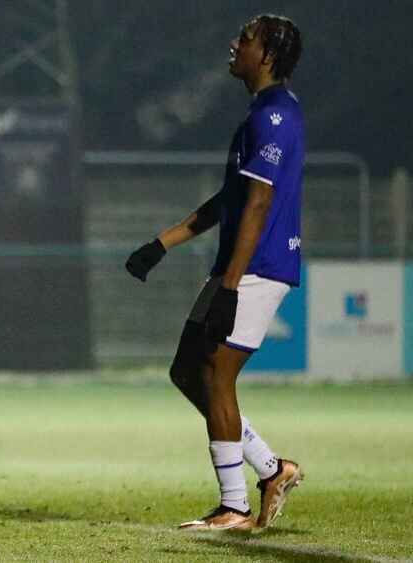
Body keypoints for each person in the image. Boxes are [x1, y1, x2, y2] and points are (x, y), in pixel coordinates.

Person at [125, 14, 304, 531]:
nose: (235, 44)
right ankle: (273, 470)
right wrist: (164, 242)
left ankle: (235, 506)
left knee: (216, 377)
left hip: (257, 268)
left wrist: (230, 287)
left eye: (245, 39)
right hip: (237, 267)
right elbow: (232, 199)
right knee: (186, 372)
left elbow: (258, 205)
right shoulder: (260, 114)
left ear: (267, 54)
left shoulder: (273, 118)